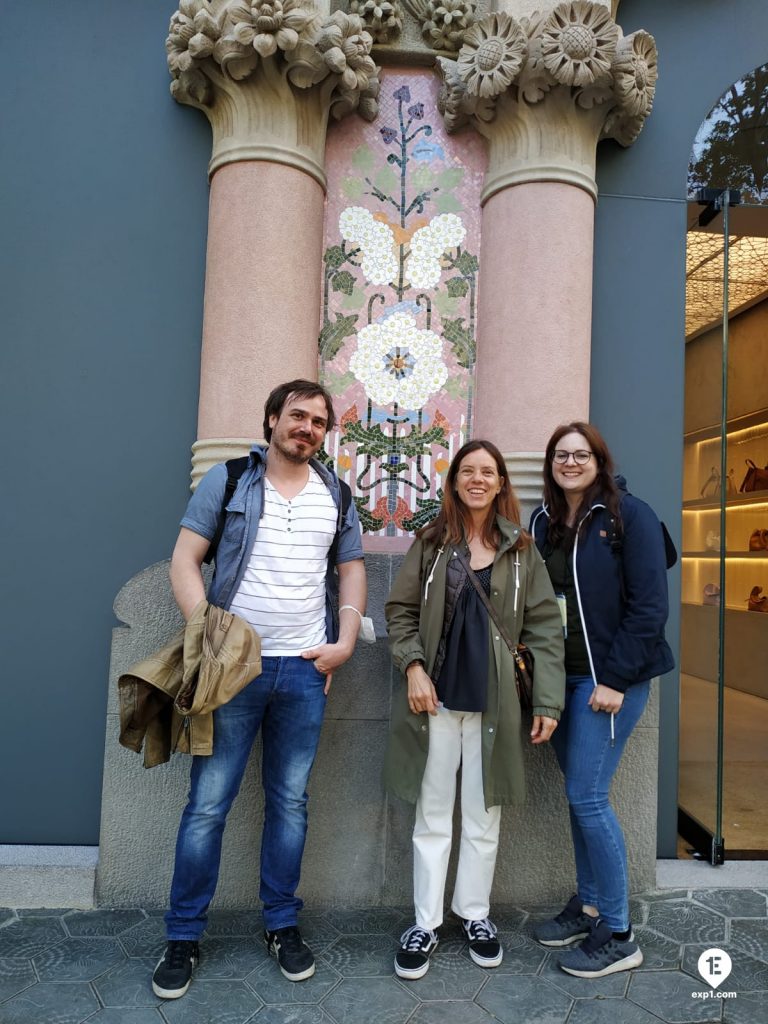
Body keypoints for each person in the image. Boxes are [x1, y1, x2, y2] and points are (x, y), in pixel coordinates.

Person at [151, 380, 366, 999]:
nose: (307, 428)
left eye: (319, 422)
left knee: (291, 803)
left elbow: (351, 572)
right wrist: (208, 635)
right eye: (296, 416)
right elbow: (184, 560)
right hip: (232, 672)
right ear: (272, 419)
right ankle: (184, 935)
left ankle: (282, 924)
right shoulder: (230, 480)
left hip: (304, 670)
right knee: (208, 805)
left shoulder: (336, 492)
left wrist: (345, 642)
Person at [384, 440, 565, 980]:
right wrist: (413, 666)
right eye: (468, 471)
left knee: (485, 817)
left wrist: (549, 700)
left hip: (496, 705)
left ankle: (475, 915)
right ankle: (425, 921)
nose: (478, 479)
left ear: (501, 482)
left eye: (488, 471)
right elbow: (400, 612)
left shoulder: (521, 550)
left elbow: (545, 631)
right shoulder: (431, 543)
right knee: (432, 813)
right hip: (434, 701)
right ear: (455, 481)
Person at [529, 422, 674, 979]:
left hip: (608, 681)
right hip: (560, 679)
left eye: (581, 454)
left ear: (599, 460)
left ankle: (618, 931)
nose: (570, 462)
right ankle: (589, 905)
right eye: (561, 455)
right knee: (577, 795)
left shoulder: (627, 515)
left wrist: (613, 679)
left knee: (588, 796)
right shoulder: (543, 520)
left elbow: (648, 607)